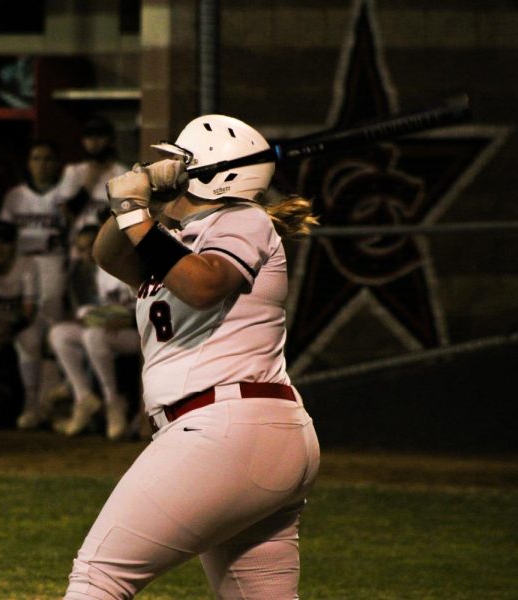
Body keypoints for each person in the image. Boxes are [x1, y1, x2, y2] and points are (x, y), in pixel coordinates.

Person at [64, 114, 321, 599]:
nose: (168, 166)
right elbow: (108, 254)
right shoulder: (176, 241)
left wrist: (136, 212)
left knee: (99, 576)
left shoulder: (243, 219)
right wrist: (143, 205)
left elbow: (204, 286)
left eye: (180, 161)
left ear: (209, 174)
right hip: (245, 433)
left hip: (226, 428)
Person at [0, 139, 69, 428]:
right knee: (26, 335)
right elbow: (3, 234)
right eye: (36, 158)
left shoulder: (65, 194)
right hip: (23, 265)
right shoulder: (16, 196)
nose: (42, 164)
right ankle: (32, 403)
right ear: (29, 163)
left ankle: (47, 404)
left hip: (53, 262)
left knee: (51, 331)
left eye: (48, 158)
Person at [49, 224, 140, 441]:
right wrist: (96, 315)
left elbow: (150, 305)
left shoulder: (133, 261)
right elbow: (102, 308)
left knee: (94, 336)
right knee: (60, 334)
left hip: (142, 334)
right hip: (113, 331)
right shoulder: (98, 272)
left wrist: (127, 318)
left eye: (91, 247)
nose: (86, 254)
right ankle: (83, 397)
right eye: (82, 249)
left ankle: (112, 402)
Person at [0, 220, 41, 428]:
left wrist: (6, 330)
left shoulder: (28, 265)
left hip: (18, 325)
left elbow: (28, 312)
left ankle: (31, 404)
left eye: (5, 242)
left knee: (30, 341)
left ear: (14, 245)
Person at [57, 115, 128, 254]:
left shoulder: (122, 173)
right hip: (78, 248)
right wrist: (89, 181)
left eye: (99, 136)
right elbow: (66, 214)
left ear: (110, 140)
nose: (93, 142)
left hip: (108, 247)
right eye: (89, 137)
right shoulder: (73, 172)